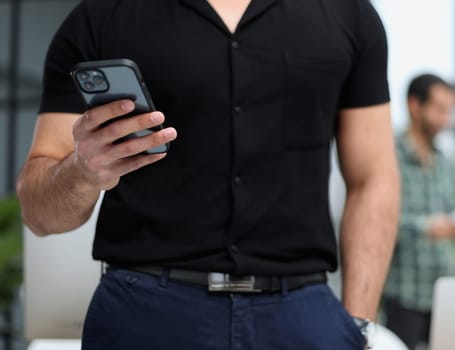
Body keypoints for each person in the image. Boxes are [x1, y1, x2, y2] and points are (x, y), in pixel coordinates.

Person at [16, 1, 400, 349]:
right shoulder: (102, 16)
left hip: (302, 316)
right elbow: (38, 212)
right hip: (147, 316)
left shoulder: (347, 13)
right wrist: (83, 170)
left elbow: (374, 178)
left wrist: (358, 322)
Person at [382, 74, 455, 349]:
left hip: (444, 294)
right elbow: (376, 220)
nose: (446, 118)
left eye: (450, 111)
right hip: (403, 295)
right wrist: (425, 227)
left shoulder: (445, 162)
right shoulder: (387, 155)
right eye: (439, 109)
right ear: (415, 105)